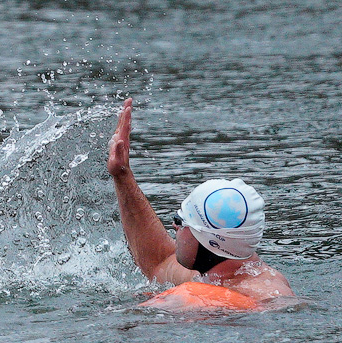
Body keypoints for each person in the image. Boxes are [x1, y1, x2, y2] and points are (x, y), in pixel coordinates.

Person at [107, 98, 295, 304]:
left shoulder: (262, 296)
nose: (174, 226)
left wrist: (181, 300)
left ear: (208, 240)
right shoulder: (221, 271)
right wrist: (122, 175)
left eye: (181, 221)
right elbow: (158, 263)